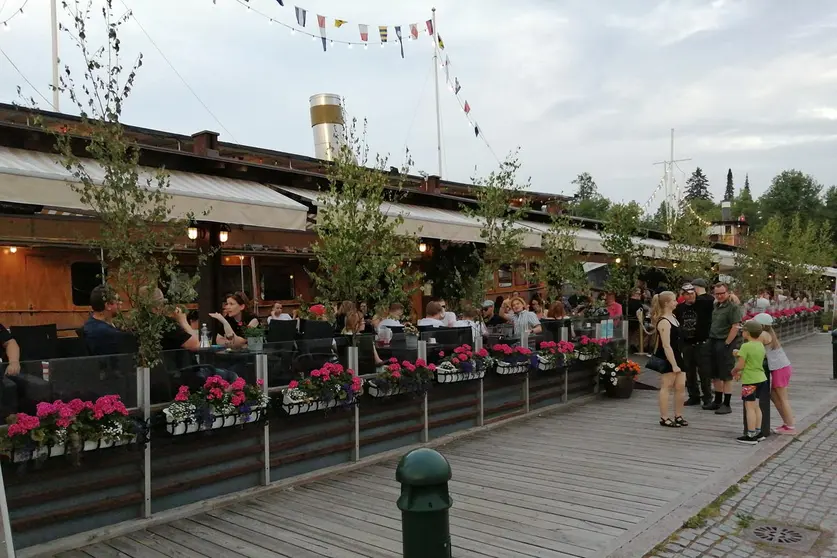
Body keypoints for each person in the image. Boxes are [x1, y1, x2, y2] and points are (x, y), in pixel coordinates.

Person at [753, 313, 796, 434]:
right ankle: (787, 423)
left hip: (780, 369)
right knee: (773, 395)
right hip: (780, 368)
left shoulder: (764, 335)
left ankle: (791, 426)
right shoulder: (769, 333)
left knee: (783, 398)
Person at [704, 282, 743, 414]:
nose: (720, 296)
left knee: (726, 373)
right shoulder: (716, 305)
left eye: (722, 293)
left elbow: (735, 326)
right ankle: (717, 401)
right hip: (713, 340)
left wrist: (727, 343)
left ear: (728, 293)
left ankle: (727, 403)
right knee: (714, 372)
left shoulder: (733, 307)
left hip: (725, 341)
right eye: (717, 293)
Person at [675, 283, 715, 406]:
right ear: (683, 296)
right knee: (689, 372)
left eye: (692, 293)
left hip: (701, 343)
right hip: (687, 343)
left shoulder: (703, 303)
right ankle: (694, 396)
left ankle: (707, 397)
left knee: (704, 372)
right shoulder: (679, 308)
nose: (690, 296)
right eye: (687, 294)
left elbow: (711, 300)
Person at [651, 291, 687, 427]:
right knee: (666, 386)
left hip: (678, 354)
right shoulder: (664, 321)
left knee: (680, 386)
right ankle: (664, 417)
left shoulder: (674, 318)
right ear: (666, 303)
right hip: (668, 356)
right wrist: (673, 364)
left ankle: (678, 415)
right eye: (673, 300)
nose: (676, 302)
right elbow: (666, 345)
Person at [731, 321, 768, 444]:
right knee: (757, 406)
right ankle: (758, 432)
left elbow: (741, 364)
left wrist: (734, 371)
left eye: (743, 330)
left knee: (749, 407)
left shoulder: (746, 346)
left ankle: (750, 435)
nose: (742, 332)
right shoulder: (760, 345)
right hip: (761, 379)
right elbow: (752, 362)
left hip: (750, 381)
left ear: (747, 332)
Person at [83, 285, 134, 355]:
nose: (120, 303)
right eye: (117, 301)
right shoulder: (106, 332)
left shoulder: (91, 324)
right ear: (108, 305)